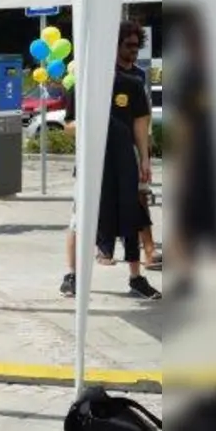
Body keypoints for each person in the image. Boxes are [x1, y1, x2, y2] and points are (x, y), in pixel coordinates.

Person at [59, 20, 160, 300]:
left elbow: (141, 125)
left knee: (132, 217)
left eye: (137, 45)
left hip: (124, 164)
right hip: (93, 163)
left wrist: (145, 161)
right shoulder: (86, 81)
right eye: (128, 45)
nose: (134, 50)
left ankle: (136, 278)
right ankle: (72, 275)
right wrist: (91, 125)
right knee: (81, 217)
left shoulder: (134, 82)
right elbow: (68, 125)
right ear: (113, 46)